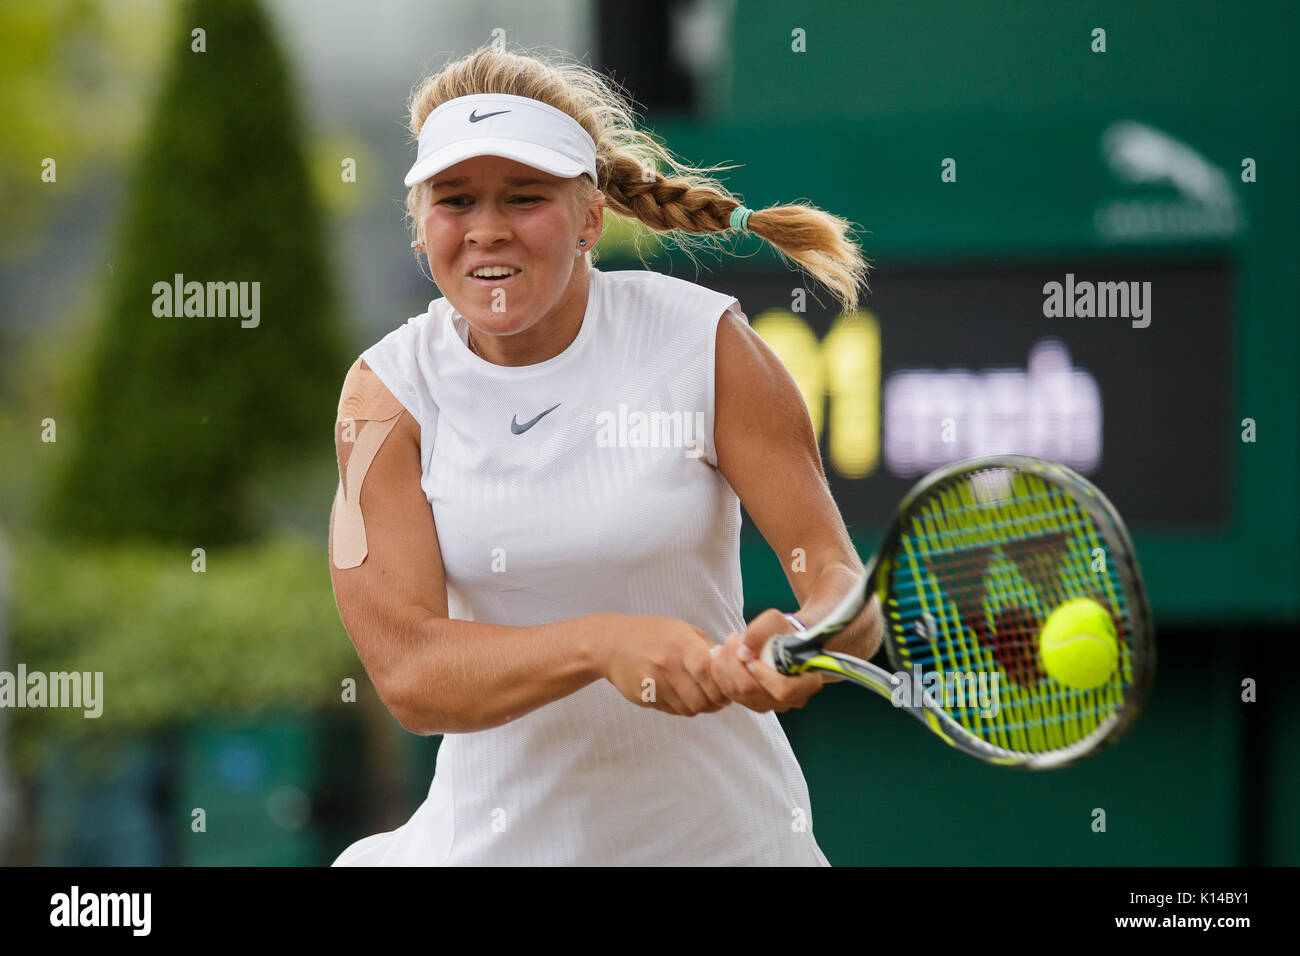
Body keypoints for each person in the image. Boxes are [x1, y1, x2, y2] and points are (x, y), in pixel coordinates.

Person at [329, 45, 881, 866]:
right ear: (421, 224)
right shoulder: (385, 395)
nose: (486, 228)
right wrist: (600, 645)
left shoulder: (709, 344)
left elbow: (845, 592)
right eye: (455, 200)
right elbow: (410, 673)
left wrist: (807, 639)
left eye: (525, 197)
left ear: (590, 218)